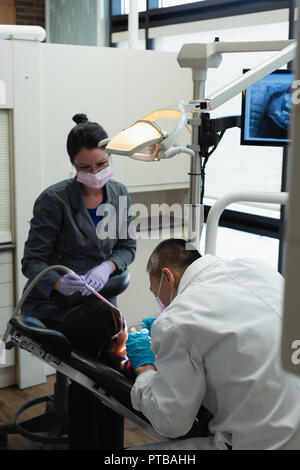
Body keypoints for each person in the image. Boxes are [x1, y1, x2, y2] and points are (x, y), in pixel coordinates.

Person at [126, 238, 300, 450]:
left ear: (167, 276)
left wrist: (145, 370)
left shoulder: (178, 319)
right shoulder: (256, 267)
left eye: (157, 294)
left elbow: (171, 422)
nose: (162, 305)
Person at [21, 113, 136, 328]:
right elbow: (31, 262)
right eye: (85, 168)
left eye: (102, 164)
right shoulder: (54, 200)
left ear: (109, 156)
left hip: (102, 300)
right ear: (73, 164)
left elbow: (127, 247)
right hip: (56, 307)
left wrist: (107, 267)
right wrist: (57, 283)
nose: (95, 173)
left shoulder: (119, 193)